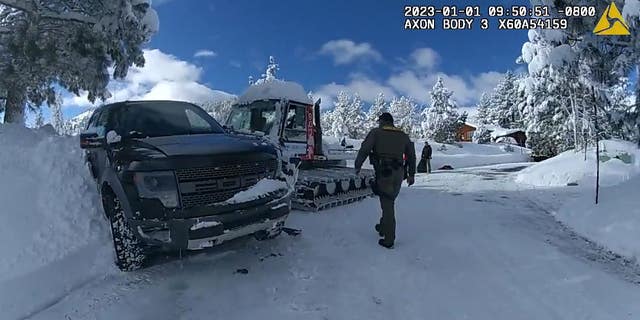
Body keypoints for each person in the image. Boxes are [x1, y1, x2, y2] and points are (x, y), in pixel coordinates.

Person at [355, 112, 416, 249]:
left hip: (385, 172)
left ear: (382, 121)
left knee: (387, 204)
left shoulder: (376, 133)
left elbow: (364, 150)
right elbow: (411, 156)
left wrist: (357, 166)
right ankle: (383, 226)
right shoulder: (403, 135)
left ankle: (389, 239)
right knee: (389, 201)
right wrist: (411, 174)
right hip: (399, 173)